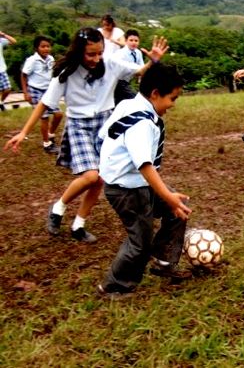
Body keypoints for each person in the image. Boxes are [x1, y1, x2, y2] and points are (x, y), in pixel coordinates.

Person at [4, 28, 169, 243]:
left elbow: (140, 72)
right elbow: (45, 102)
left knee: (101, 178)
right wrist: (24, 132)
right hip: (79, 125)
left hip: (104, 123)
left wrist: (154, 61)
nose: (96, 58)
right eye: (90, 54)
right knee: (91, 176)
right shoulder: (67, 73)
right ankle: (58, 208)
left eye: (99, 53)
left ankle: (78, 224)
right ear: (78, 51)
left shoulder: (110, 64)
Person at [97, 62, 192, 298]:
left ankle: (164, 262)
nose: (173, 105)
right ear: (155, 94)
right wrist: (167, 195)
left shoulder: (129, 104)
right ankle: (114, 286)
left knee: (177, 212)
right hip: (127, 189)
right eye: (173, 98)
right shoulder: (142, 122)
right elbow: (144, 165)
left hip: (137, 182)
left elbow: (104, 134)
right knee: (140, 240)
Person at [20, 36, 64, 154]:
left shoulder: (50, 58)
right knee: (44, 117)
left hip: (48, 90)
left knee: (59, 114)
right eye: (43, 46)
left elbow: (54, 71)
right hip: (35, 90)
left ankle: (50, 134)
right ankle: (47, 144)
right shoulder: (32, 60)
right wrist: (26, 92)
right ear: (36, 48)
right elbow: (24, 75)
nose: (46, 49)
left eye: (48, 46)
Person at [112, 29, 144, 104]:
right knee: (135, 99)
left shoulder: (138, 53)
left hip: (127, 81)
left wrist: (140, 79)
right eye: (131, 40)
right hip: (117, 82)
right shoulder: (120, 54)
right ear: (126, 41)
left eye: (136, 41)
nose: (133, 43)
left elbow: (142, 67)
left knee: (119, 103)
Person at [0, 29, 17, 112]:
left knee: (7, 89)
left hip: (1, 69)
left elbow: (14, 41)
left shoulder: (0, 41)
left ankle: (1, 102)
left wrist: (3, 35)